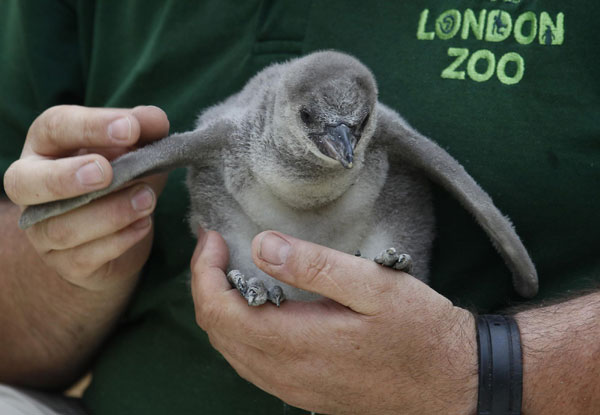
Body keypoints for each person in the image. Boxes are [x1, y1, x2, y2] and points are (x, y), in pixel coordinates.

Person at [0, 1, 598, 414]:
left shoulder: (379, 134)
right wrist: (77, 258)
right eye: (315, 121)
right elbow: (14, 338)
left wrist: (485, 368)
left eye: (355, 129)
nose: (341, 147)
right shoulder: (237, 130)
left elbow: (447, 176)